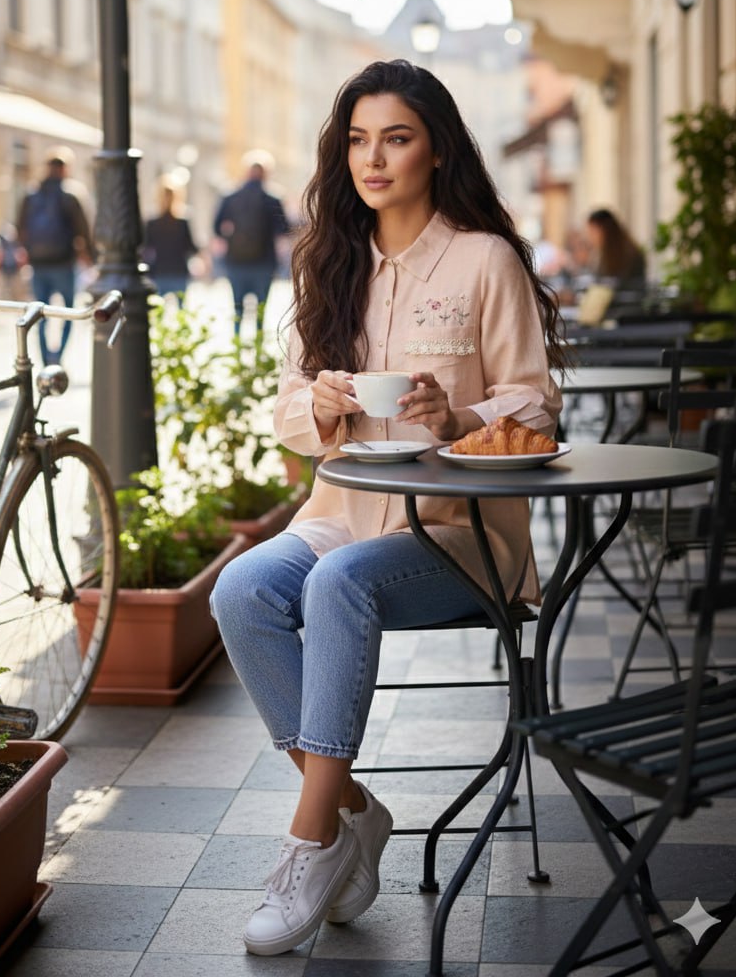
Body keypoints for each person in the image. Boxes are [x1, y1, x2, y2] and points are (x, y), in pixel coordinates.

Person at [209, 59, 565, 957]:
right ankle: (353, 813)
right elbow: (290, 414)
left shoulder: (485, 259)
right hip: (341, 511)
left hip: (459, 533)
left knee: (337, 587)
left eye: (396, 138)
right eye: (359, 140)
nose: (374, 158)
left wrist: (460, 417)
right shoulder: (327, 264)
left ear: (435, 150)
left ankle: (305, 844)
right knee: (240, 591)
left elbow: (536, 402)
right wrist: (321, 408)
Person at [18, 151, 94, 365]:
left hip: (38, 263)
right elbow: (83, 229)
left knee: (38, 314)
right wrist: (89, 256)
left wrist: (27, 252)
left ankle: (44, 360)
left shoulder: (31, 194)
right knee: (68, 312)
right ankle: (57, 358)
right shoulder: (71, 194)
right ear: (65, 169)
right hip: (64, 262)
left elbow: (20, 227)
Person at [213, 152, 290, 334]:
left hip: (236, 262)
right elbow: (284, 230)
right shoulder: (272, 198)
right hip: (264, 262)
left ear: (246, 172)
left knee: (237, 308)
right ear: (266, 173)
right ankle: (258, 349)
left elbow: (216, 227)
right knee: (261, 309)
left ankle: (238, 347)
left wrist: (232, 236)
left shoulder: (230, 196)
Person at [142, 179, 200, 303]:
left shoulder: (153, 224)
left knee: (158, 311)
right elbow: (191, 248)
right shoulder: (181, 223)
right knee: (181, 312)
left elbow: (145, 249)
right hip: (176, 270)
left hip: (160, 271)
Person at [584, 208, 646, 288]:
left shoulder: (627, 254)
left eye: (592, 232)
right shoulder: (600, 253)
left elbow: (624, 285)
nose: (590, 237)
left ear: (604, 230)